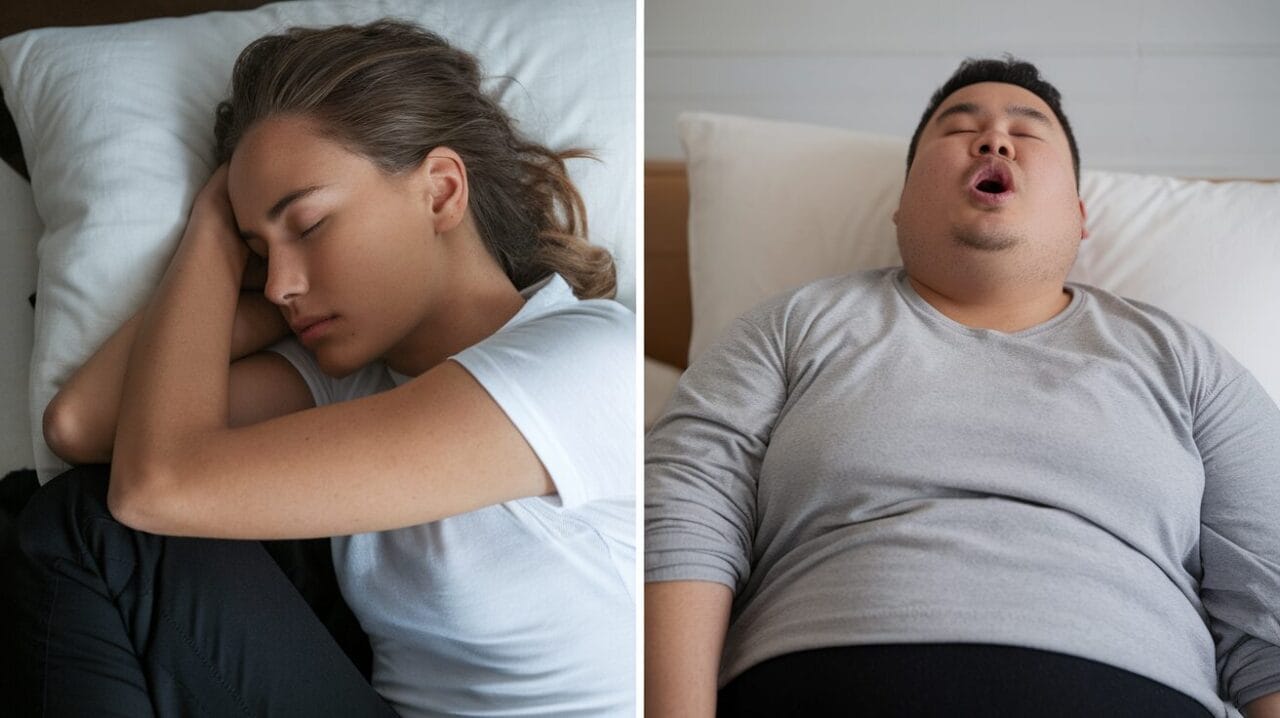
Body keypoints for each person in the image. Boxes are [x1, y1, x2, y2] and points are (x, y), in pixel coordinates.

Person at [2, 20, 634, 717]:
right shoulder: (352, 381)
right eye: (258, 254)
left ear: (441, 192)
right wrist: (217, 243)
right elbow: (82, 424)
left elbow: (158, 484)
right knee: (71, 515)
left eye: (306, 226)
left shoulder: (586, 359)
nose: (276, 283)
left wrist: (220, 213)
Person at [644, 56, 1280, 717]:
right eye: (958, 126)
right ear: (901, 204)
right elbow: (685, 516)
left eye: (1028, 130)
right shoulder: (790, 326)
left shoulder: (1189, 364)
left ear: (1081, 214)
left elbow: (1267, 608)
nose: (994, 138)